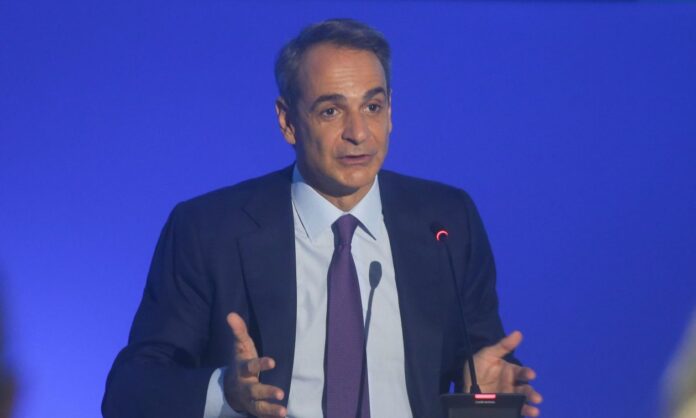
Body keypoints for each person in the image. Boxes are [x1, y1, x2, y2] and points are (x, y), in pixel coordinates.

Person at [103, 18, 542, 418]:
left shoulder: (446, 221)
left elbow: (482, 359)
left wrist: (484, 389)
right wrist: (226, 394)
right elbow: (129, 392)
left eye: (372, 107)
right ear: (287, 121)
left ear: (391, 111)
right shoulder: (208, 230)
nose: (358, 133)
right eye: (331, 111)